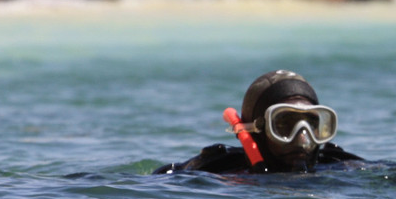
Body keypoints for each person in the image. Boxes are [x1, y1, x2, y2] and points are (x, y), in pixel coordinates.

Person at [154, 70, 362, 175]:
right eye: (285, 125)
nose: (302, 138)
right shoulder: (217, 174)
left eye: (312, 125)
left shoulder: (341, 168)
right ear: (255, 130)